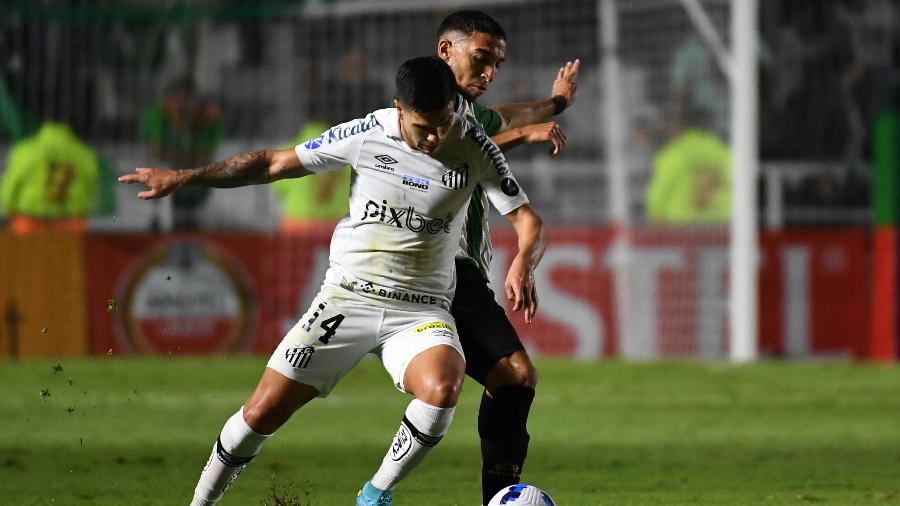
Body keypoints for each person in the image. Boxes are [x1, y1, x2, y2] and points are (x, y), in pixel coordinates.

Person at [119, 56, 546, 506]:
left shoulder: (474, 145)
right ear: (399, 108)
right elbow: (271, 164)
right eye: (424, 127)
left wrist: (523, 259)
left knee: (443, 388)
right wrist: (183, 177)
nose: (436, 137)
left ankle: (375, 494)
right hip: (347, 300)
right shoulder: (364, 134)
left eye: (443, 124)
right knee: (261, 412)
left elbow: (528, 220)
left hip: (419, 310)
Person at [433, 10, 579, 503]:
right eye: (481, 59)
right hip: (424, 268)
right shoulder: (424, 111)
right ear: (445, 51)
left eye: (496, 63)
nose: (490, 72)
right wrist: (524, 136)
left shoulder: (470, 113)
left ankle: (498, 498)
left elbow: (511, 116)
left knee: (514, 377)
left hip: (463, 274)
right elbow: (451, 152)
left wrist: (555, 102)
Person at [140, 77, 223, 230]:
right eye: (179, 100)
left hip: (194, 191)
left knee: (191, 231)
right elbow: (157, 153)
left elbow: (206, 155)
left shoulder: (207, 118)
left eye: (190, 101)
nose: (185, 107)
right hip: (158, 191)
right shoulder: (158, 116)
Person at [1, 120, 99, 234]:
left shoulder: (25, 151)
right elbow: (91, 186)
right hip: (70, 223)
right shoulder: (84, 153)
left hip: (29, 222)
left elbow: (11, 185)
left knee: (28, 252)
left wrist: (8, 209)